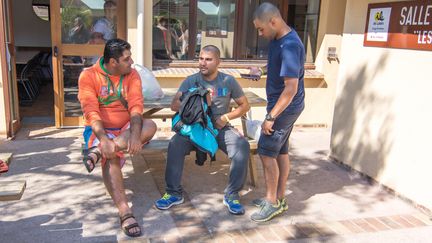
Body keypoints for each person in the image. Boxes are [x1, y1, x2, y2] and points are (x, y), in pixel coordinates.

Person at [154, 45, 251, 215]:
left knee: (242, 145)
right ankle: (174, 193)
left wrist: (225, 118)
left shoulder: (228, 81)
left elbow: (244, 106)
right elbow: (174, 105)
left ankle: (232, 194)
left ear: (218, 62)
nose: (203, 63)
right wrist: (193, 96)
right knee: (175, 143)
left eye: (208, 59)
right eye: (200, 58)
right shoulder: (190, 80)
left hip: (218, 126)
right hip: (194, 126)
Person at [78, 38, 157, 237]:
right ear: (113, 62)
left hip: (126, 127)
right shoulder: (88, 75)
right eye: (127, 59)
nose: (131, 63)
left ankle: (97, 151)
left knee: (151, 125)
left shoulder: (132, 75)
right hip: (100, 129)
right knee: (110, 155)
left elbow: (136, 107)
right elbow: (91, 112)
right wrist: (103, 138)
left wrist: (136, 135)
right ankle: (124, 211)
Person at [248, 3, 305, 222]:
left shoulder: (290, 45)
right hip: (284, 105)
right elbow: (278, 64)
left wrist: (271, 117)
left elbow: (291, 89)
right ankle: (279, 197)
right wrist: (261, 70)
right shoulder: (278, 39)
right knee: (281, 152)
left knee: (266, 152)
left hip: (285, 107)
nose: (260, 34)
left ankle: (271, 202)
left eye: (261, 29)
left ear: (273, 21)